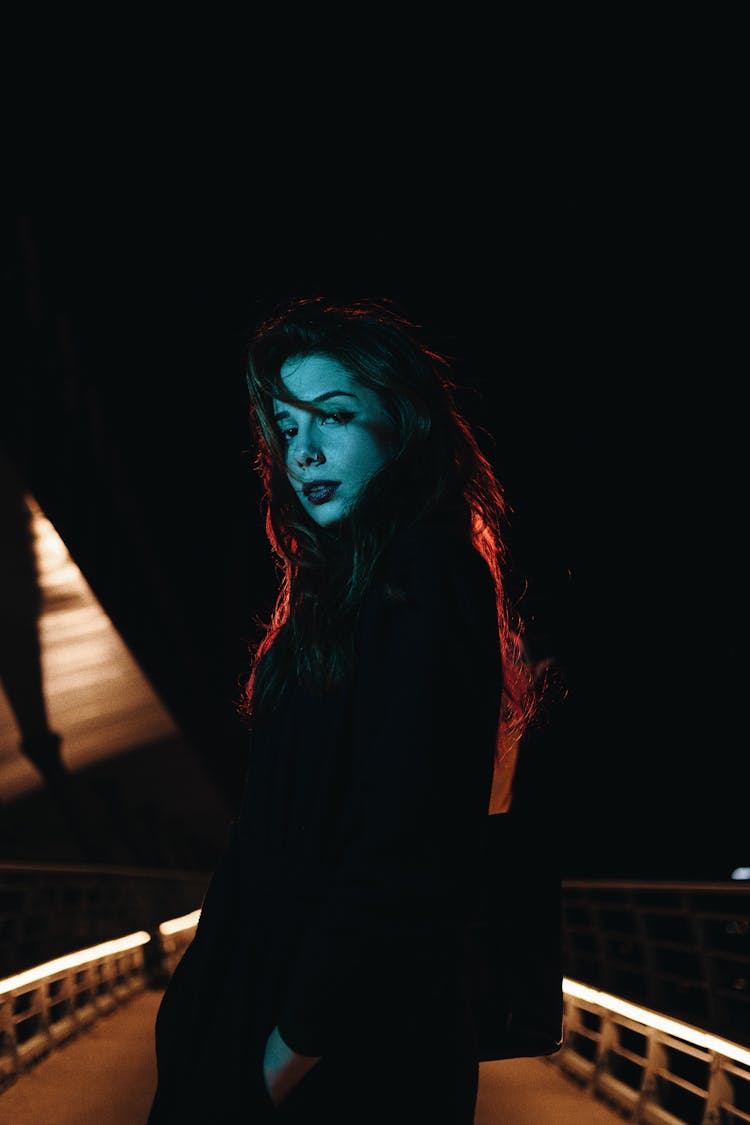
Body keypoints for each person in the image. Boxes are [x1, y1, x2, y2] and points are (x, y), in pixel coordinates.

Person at [146, 296, 542, 1123]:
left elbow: (406, 852)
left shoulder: (427, 574)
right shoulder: (344, 589)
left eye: (333, 416)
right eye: (286, 429)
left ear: (402, 427)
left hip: (338, 1054)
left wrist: (278, 1062)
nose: (304, 452)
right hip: (290, 1020)